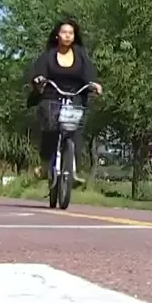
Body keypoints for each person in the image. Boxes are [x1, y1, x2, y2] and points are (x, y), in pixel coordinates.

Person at [27, 19, 102, 183]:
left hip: (75, 95)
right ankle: (46, 165)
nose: (67, 36)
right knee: (50, 128)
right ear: (57, 35)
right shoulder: (48, 55)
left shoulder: (80, 55)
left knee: (74, 130)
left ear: (74, 36)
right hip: (52, 95)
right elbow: (39, 72)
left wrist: (94, 84)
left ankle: (72, 170)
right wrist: (39, 79)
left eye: (71, 33)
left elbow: (88, 73)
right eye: (64, 32)